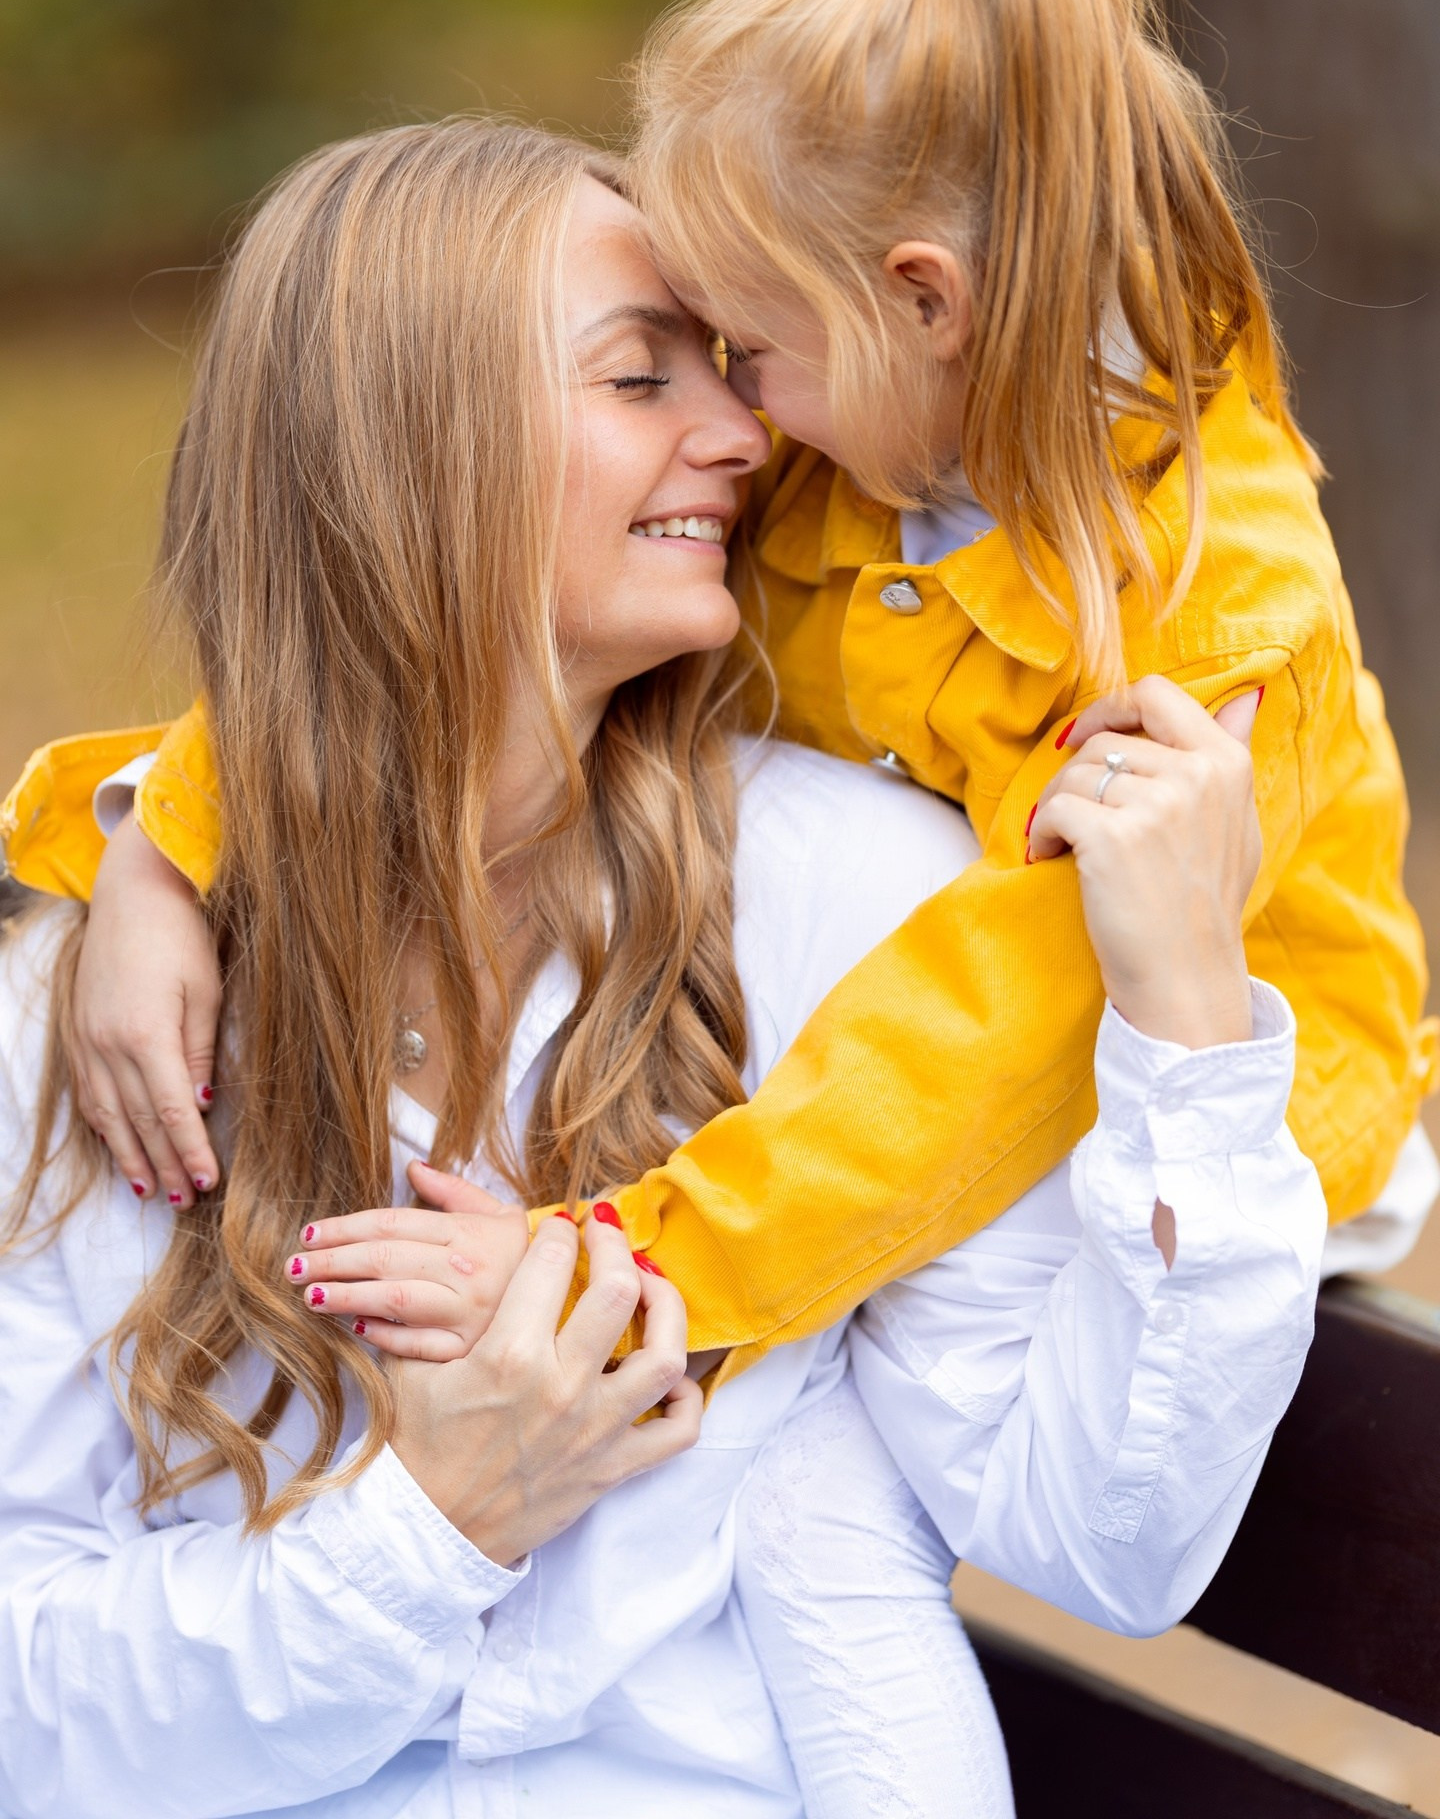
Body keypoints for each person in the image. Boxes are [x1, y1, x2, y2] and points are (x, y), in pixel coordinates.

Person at [0, 120, 1373, 1819]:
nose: (744, 435)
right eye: (639, 379)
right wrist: (435, 1529)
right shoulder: (100, 1008)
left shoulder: (852, 911)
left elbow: (1103, 1541)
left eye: (729, 368)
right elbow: (28, 1695)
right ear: (409, 455)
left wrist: (1183, 1020)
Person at [5, 0, 1430, 1393]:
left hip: (1178, 1143)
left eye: (747, 351)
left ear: (919, 301)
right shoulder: (882, 425)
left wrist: (623, 1266)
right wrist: (166, 842)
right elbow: (418, 613)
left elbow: (979, 1044)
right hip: (836, 1114)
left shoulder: (1214, 634)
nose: (738, 424)